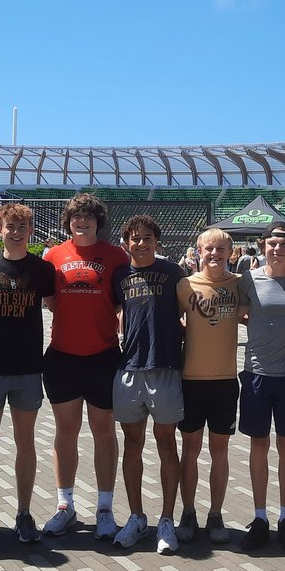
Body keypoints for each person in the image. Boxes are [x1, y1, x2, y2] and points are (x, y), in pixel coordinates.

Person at [41, 193, 129, 539]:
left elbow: (125, 302)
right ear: (68, 221)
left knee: (104, 433)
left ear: (98, 222)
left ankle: (105, 508)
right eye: (76, 217)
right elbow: (48, 301)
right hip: (62, 356)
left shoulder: (115, 256)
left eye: (89, 217)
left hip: (103, 356)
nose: (82, 222)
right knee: (65, 433)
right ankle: (65, 506)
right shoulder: (54, 255)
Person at [0, 204, 56, 545]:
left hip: (28, 367)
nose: (16, 231)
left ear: (31, 230)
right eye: (10, 225)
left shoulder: (42, 268)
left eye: (22, 225)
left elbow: (57, 307)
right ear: (0, 228)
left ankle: (23, 513)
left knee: (26, 442)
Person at [237, 222, 285, 552]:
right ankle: (259, 517)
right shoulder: (249, 279)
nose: (277, 248)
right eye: (272, 243)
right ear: (263, 246)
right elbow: (239, 314)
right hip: (255, 373)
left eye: (283, 243)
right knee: (258, 446)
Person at [110, 215, 185, 553]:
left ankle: (167, 519)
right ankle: (137, 517)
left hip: (165, 367)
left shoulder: (173, 273)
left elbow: (194, 312)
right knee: (132, 444)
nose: (141, 243)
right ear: (126, 242)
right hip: (130, 367)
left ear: (157, 242)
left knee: (166, 443)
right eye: (134, 238)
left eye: (147, 238)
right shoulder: (120, 276)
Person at [175, 227, 244, 546]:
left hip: (226, 381)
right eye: (208, 249)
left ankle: (215, 513)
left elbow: (263, 314)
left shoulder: (240, 286)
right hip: (190, 380)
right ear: (198, 252)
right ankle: (188, 512)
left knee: (220, 451)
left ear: (231, 253)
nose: (214, 255)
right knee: (190, 450)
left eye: (220, 250)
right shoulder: (184, 286)